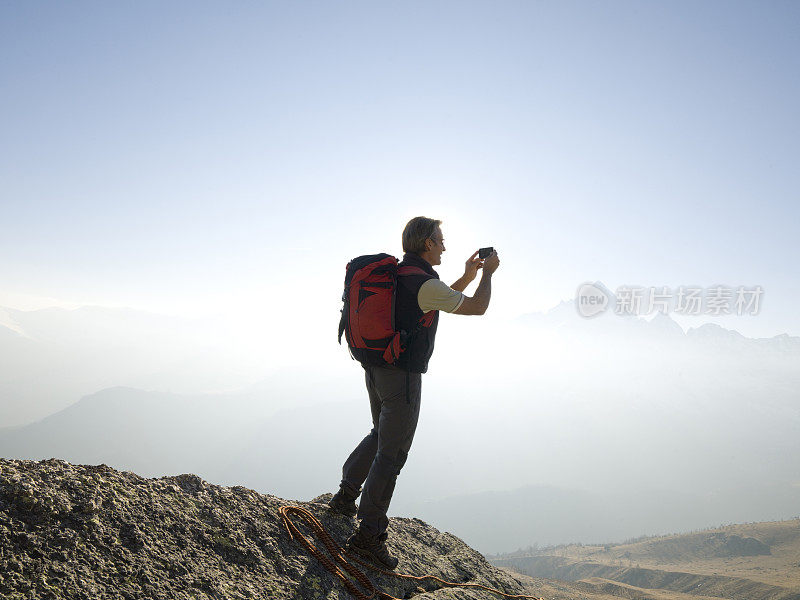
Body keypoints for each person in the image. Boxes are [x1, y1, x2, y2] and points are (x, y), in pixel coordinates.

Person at [328, 216, 500, 570]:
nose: (445, 246)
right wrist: (488, 275)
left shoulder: (402, 276)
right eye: (441, 240)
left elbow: (433, 300)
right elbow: (476, 306)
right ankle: (368, 535)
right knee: (392, 455)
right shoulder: (423, 283)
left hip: (374, 368)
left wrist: (467, 275)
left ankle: (345, 497)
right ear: (427, 244)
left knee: (379, 435)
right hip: (402, 378)